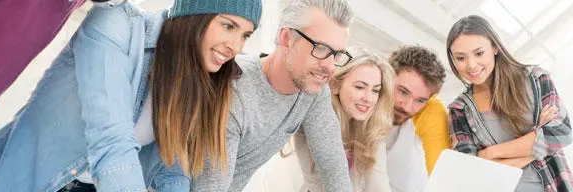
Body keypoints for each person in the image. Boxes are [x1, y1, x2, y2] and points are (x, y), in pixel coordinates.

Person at [0, 0, 261, 191]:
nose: (235, 45)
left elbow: (172, 170)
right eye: (228, 26)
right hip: (19, 182)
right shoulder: (116, 25)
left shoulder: (198, 80)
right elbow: (110, 141)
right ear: (194, 15)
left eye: (246, 35)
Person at [187, 0, 356, 191]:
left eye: (337, 54)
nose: (330, 66)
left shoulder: (313, 89)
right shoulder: (235, 89)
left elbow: (333, 165)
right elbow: (209, 186)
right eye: (321, 49)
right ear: (286, 38)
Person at [446, 15, 572, 192]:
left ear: (495, 47)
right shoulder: (458, 111)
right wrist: (538, 139)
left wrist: (491, 153)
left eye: (479, 53)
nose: (471, 65)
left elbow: (562, 132)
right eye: (461, 58)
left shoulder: (535, 79)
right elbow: (473, 174)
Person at [294, 47, 395, 192]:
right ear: (335, 85)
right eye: (360, 87)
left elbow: (379, 185)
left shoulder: (372, 130)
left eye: (375, 90)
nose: (368, 99)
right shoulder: (318, 120)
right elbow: (321, 183)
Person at [386, 45, 447, 192]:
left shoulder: (412, 140)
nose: (407, 107)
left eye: (420, 100)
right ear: (386, 76)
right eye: (402, 91)